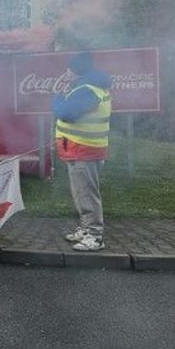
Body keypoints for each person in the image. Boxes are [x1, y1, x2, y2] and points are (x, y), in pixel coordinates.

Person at [53, 51, 113, 252]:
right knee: (81, 193)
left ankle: (95, 235)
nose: (66, 72)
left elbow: (66, 113)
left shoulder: (87, 90)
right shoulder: (88, 88)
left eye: (69, 68)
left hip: (85, 151)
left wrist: (57, 97)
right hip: (81, 149)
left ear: (76, 70)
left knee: (87, 194)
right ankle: (86, 229)